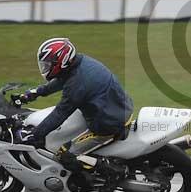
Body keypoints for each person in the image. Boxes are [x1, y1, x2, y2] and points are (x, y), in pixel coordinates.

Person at [16, 37, 134, 175]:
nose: (45, 68)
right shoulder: (79, 64)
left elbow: (60, 113)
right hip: (115, 107)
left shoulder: (78, 84)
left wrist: (34, 135)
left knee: (64, 155)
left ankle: (114, 171)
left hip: (108, 123)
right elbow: (63, 80)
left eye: (48, 64)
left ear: (62, 60)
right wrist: (36, 92)